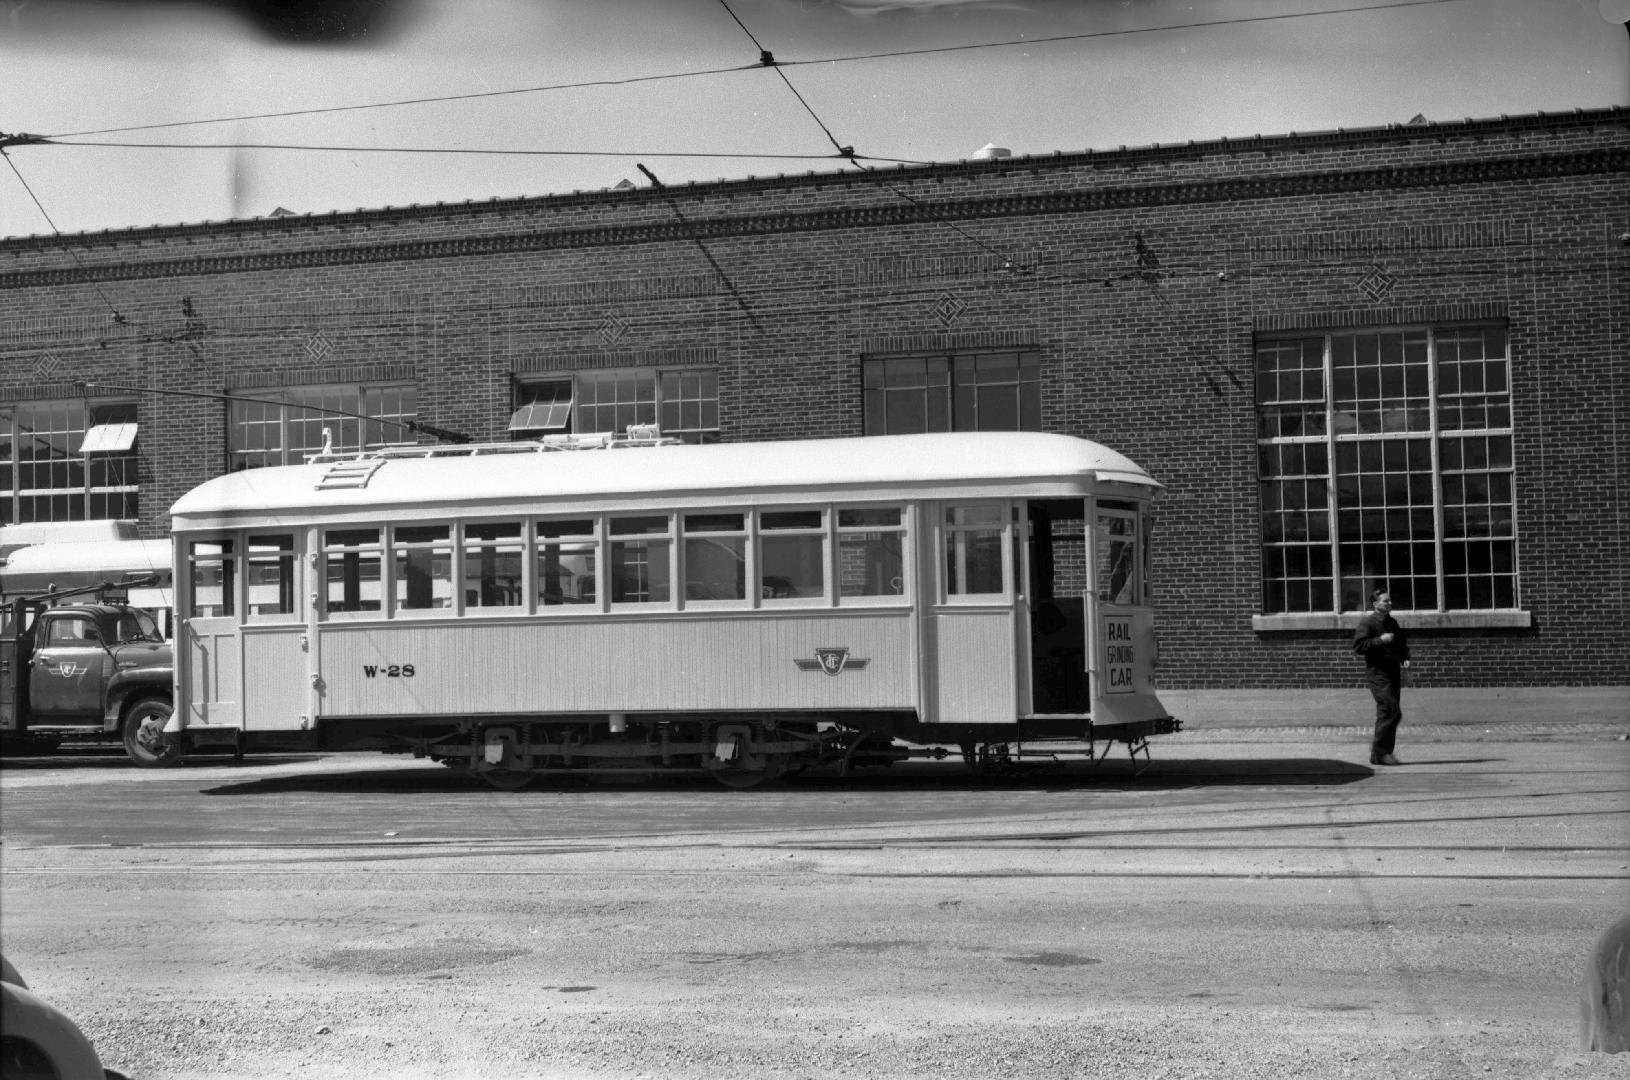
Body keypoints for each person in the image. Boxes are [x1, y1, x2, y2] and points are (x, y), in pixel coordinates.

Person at [1353, 588, 1411, 766]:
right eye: (1386, 601)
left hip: (1393, 672)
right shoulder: (1368, 623)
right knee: (1391, 710)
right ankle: (1380, 752)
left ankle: (1384, 753)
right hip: (1378, 674)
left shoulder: (1392, 622)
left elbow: (1401, 642)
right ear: (1375, 604)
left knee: (1387, 712)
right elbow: (1359, 646)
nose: (1390, 604)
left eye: (1390, 601)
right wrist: (1381, 640)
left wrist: (1404, 657)